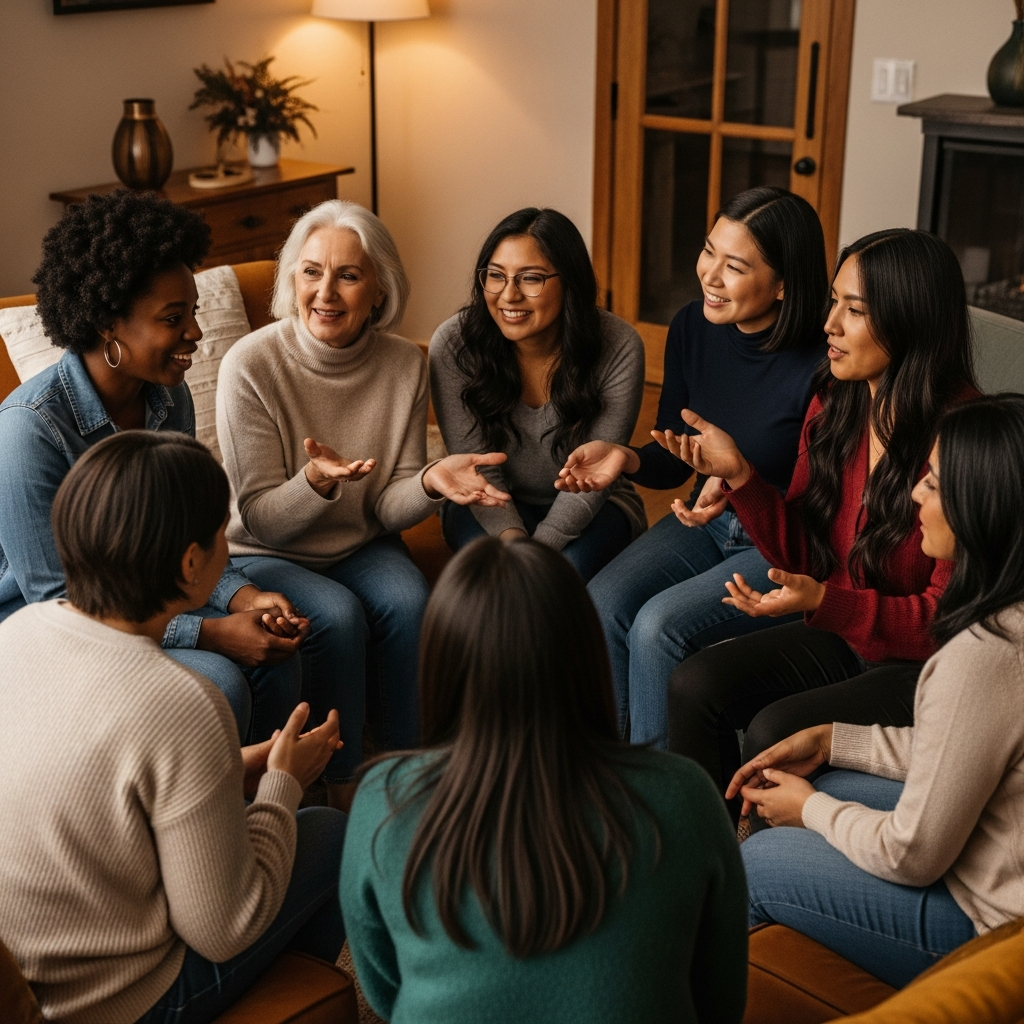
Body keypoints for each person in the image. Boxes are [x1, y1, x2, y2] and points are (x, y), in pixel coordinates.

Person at [0, 431, 347, 1024]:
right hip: (116, 1001)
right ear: (190, 563)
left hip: (26, 979)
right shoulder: (181, 701)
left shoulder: (18, 633)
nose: (225, 550)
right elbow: (222, 929)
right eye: (221, 536)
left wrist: (237, 767)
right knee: (329, 832)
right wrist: (282, 787)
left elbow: (99, 793)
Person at [340, 537, 748, 1024]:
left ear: (441, 664)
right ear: (586, 654)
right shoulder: (685, 792)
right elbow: (720, 1001)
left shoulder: (383, 798)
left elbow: (385, 989)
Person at [659, 229, 978, 821]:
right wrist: (742, 478)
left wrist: (827, 602)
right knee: (694, 684)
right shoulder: (838, 401)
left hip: (927, 667)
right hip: (851, 634)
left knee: (773, 729)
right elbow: (805, 552)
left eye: (853, 310)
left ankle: (757, 881)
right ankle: (700, 857)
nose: (828, 325)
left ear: (909, 321)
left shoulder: (961, 440)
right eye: (834, 301)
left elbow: (945, 622)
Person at [217, 199, 510, 807]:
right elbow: (260, 515)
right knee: (338, 616)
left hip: (359, 542)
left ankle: (409, 773)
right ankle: (344, 786)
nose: (326, 291)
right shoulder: (250, 364)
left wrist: (429, 482)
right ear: (291, 279)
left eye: (349, 275)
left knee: (409, 600)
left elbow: (385, 507)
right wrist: (317, 483)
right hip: (266, 549)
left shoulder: (405, 363)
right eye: (311, 271)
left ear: (380, 291)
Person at [732, 393, 1024, 990]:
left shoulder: (984, 653)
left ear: (984, 508)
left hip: (995, 929)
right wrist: (835, 740)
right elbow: (962, 750)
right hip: (999, 863)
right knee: (828, 778)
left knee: (756, 864)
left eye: (935, 485)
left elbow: (912, 855)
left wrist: (809, 813)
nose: (917, 493)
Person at [0, 190, 305, 740]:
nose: (195, 332)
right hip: (38, 623)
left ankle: (275, 804)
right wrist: (210, 633)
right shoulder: (29, 429)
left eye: (192, 311)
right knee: (217, 677)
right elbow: (56, 603)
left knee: (279, 650)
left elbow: (186, 540)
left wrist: (244, 598)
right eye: (173, 317)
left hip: (141, 598)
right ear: (108, 323)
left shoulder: (168, 397)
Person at [556, 187, 827, 743]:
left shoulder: (826, 361)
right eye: (709, 252)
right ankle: (610, 775)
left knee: (659, 627)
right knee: (602, 605)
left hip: (784, 540)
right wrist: (627, 457)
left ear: (784, 284)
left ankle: (664, 807)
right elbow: (676, 457)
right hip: (711, 519)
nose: (710, 275)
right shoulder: (691, 328)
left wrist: (736, 483)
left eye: (735, 266)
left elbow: (822, 509)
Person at [429, 207, 647, 582]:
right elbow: (478, 471)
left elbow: (593, 478)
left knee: (559, 579)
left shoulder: (619, 345)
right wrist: (514, 544)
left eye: (531, 279)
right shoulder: (453, 344)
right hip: (484, 500)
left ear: (570, 282)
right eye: (495, 276)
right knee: (493, 577)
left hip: (595, 504)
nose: (509, 295)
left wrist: (540, 551)